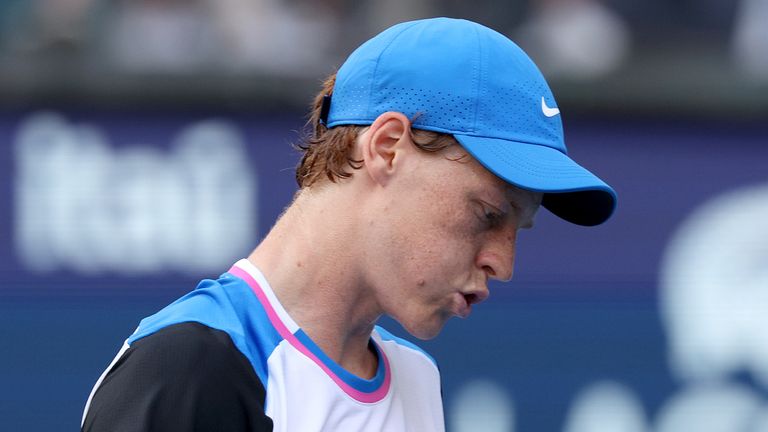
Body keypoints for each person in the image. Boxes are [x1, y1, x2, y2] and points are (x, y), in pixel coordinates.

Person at [81, 17, 616, 432]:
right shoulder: (189, 370)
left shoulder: (416, 381)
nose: (502, 264)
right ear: (387, 148)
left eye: (516, 229)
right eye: (488, 214)